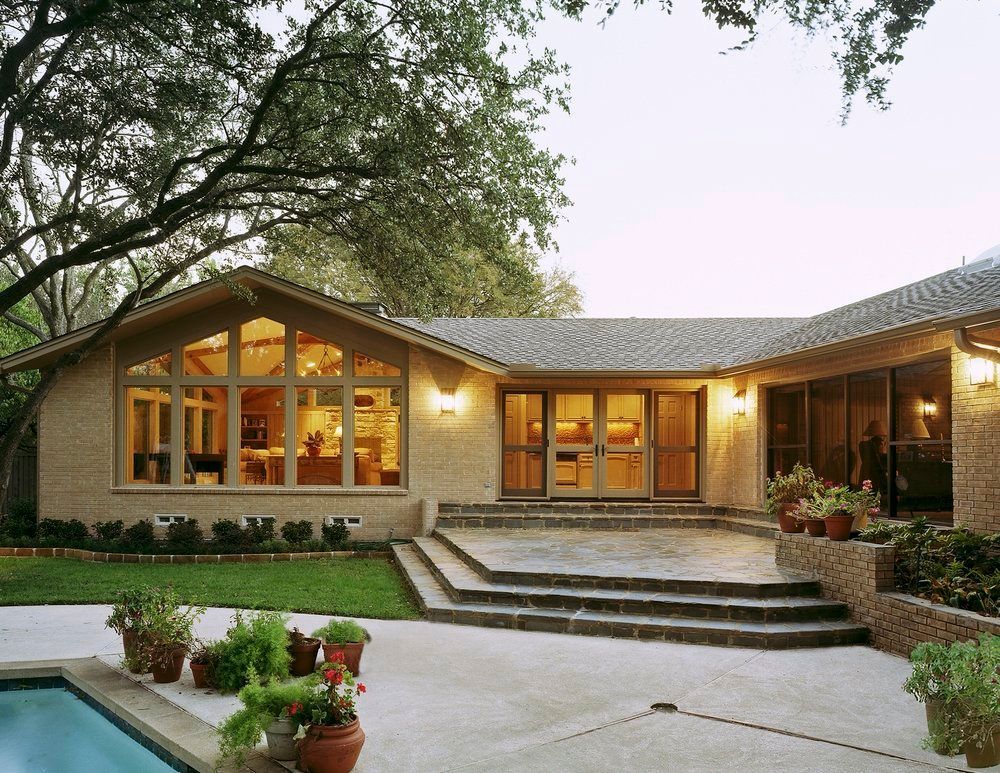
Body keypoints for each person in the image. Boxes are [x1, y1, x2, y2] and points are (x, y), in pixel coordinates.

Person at [857, 419, 887, 491]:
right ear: (878, 445)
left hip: (866, 476)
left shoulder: (868, 456)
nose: (882, 446)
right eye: (881, 445)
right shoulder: (877, 458)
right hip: (877, 481)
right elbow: (881, 471)